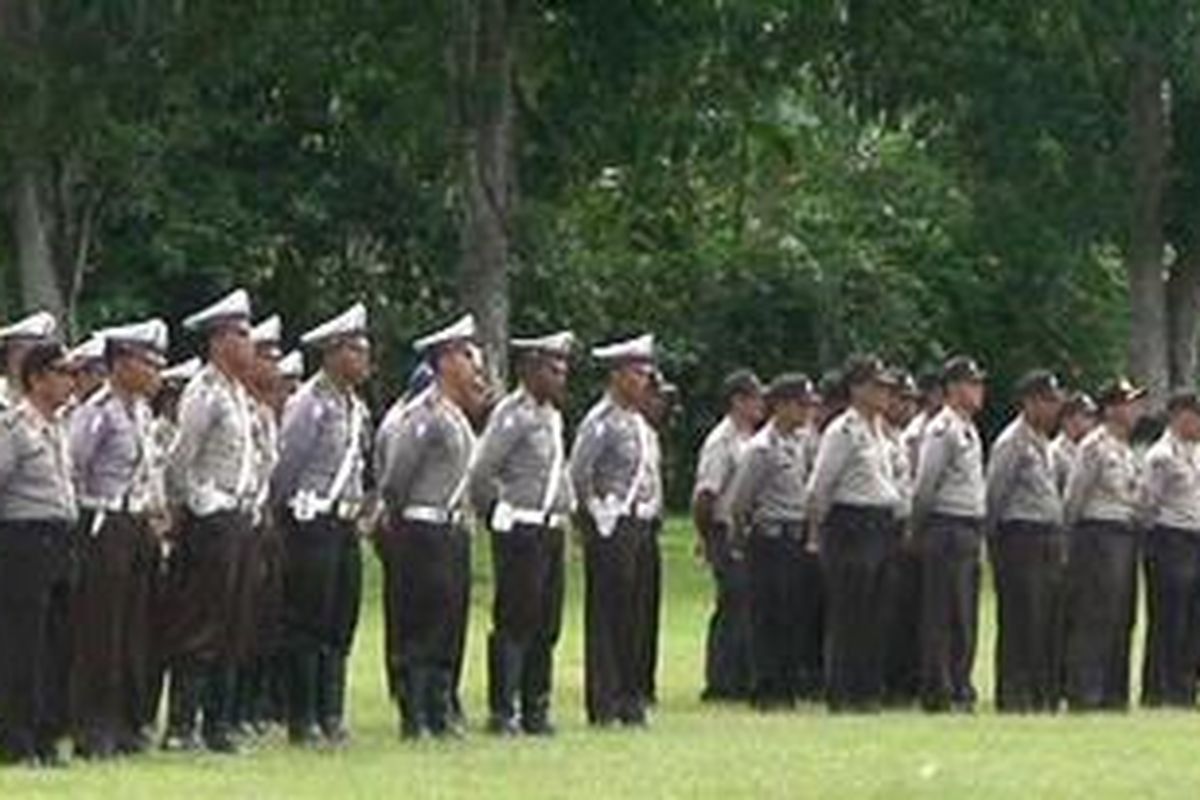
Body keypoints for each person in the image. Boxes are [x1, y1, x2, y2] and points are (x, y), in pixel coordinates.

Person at [161, 289, 261, 754]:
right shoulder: (204, 392)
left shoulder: (238, 394)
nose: (250, 343)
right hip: (214, 518)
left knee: (235, 622)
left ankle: (219, 724)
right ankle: (183, 725)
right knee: (203, 620)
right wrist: (195, 501)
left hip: (239, 516)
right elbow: (181, 457)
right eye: (241, 335)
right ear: (219, 341)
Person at [377, 314, 483, 739]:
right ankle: (416, 713)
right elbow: (397, 478)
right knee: (421, 621)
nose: (473, 364)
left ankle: (440, 708)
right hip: (423, 529)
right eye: (464, 355)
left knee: (448, 620)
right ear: (443, 362)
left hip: (453, 529)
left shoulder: (457, 416)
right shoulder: (425, 414)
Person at [67, 320, 168, 760]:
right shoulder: (99, 412)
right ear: (122, 363)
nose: (156, 372)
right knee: (101, 629)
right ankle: (94, 726)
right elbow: (74, 468)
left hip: (136, 523)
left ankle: (128, 721)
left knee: (134, 626)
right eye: (148, 363)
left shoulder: (141, 412)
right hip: (103, 522)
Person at [274, 304, 372, 747]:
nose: (365, 359)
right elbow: (287, 466)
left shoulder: (355, 408)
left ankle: (332, 713)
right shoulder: (309, 404)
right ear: (333, 354)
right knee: (307, 621)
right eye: (356, 350)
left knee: (339, 620)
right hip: (310, 522)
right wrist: (289, 515)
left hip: (344, 523)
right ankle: (304, 717)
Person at [468, 331, 574, 736]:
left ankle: (536, 706)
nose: (560, 377)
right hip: (520, 527)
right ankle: (504, 708)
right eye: (552, 369)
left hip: (549, 529)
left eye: (563, 369)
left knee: (547, 621)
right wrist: (494, 513)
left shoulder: (552, 416)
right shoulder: (512, 415)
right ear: (530, 370)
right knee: (516, 619)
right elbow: (482, 471)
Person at [569, 333, 661, 727]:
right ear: (619, 375)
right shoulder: (600, 422)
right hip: (612, 525)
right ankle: (604, 700)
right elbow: (579, 472)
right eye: (639, 373)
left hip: (641, 524)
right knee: (609, 614)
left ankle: (632, 694)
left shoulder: (640, 423)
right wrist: (594, 513)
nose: (645, 381)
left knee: (638, 613)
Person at [805, 355, 900, 712]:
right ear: (857, 388)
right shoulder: (843, 431)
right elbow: (819, 488)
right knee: (850, 613)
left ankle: (868, 689)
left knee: (876, 612)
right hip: (851, 524)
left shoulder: (880, 431)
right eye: (877, 386)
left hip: (880, 523)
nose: (885, 394)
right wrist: (818, 532)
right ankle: (844, 691)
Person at [0, 343, 78, 767]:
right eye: (61, 371)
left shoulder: (60, 425)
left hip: (60, 539)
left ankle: (49, 735)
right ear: (36, 378)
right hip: (24, 540)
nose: (70, 379)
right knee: (22, 646)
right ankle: (19, 739)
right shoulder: (14, 427)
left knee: (57, 643)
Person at [727, 373, 819, 709]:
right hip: (769, 538)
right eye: (801, 405)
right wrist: (740, 539)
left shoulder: (802, 443)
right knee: (768, 615)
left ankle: (787, 684)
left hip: (795, 538)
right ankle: (766, 687)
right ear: (780, 406)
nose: (807, 412)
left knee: (793, 615)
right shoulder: (761, 448)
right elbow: (739, 501)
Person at [985, 369, 1067, 713]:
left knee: (1046, 617)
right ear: (1029, 402)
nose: (1053, 409)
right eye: (1047, 401)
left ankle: (1040, 692)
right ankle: (1015, 694)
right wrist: (993, 542)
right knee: (1022, 617)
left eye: (1055, 401)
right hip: (1020, 537)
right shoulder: (1012, 442)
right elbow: (994, 495)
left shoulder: (1044, 443)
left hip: (1046, 537)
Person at [1062, 378, 1146, 711]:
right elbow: (1074, 498)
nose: (1135, 409)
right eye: (1128, 403)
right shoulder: (1094, 445)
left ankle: (1114, 693)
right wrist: (1070, 543)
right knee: (1095, 615)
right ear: (1111, 409)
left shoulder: (1125, 448)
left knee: (1122, 615)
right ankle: (1086, 692)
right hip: (1097, 534)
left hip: (1124, 535)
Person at [912, 356, 987, 713]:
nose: (979, 391)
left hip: (968, 527)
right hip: (946, 525)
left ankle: (960, 684)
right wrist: (918, 526)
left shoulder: (968, 428)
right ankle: (939, 689)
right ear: (955, 388)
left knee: (965, 613)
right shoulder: (942, 429)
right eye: (973, 384)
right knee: (942, 615)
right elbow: (926, 484)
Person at [692, 370, 764, 703]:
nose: (760, 405)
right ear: (738, 400)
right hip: (725, 529)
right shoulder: (722, 441)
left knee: (747, 604)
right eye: (754, 398)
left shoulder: (750, 438)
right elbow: (706, 495)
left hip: (748, 531)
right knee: (732, 604)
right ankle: (721, 680)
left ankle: (742, 674)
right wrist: (708, 537)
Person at [1140, 389, 1200, 707]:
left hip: (1195, 539)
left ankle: (1185, 688)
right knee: (1169, 618)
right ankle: (1159, 689)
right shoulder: (1161, 455)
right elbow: (1147, 503)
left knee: (1193, 620)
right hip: (1170, 538)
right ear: (1180, 416)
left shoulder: (1196, 451)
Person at [880, 368, 921, 706]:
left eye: (911, 400)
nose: (908, 406)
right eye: (901, 399)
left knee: (905, 608)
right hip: (881, 527)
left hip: (905, 526)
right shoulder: (873, 434)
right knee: (883, 609)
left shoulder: (900, 437)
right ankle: (885, 680)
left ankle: (903, 679)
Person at [0, 310, 58, 411]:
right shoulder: (2, 396)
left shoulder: (57, 393)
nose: (28, 357)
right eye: (19, 349)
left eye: (36, 352)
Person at [1050, 392, 1099, 493]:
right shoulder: (1055, 453)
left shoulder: (1095, 446)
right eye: (1087, 415)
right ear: (1068, 419)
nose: (1093, 421)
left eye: (1092, 416)